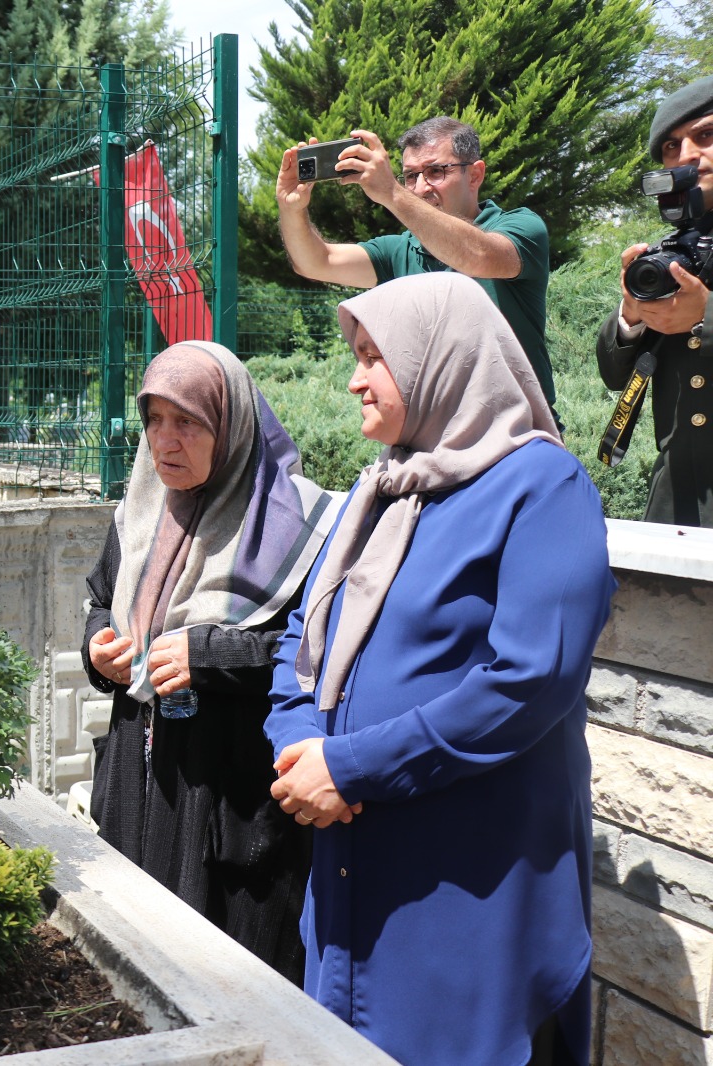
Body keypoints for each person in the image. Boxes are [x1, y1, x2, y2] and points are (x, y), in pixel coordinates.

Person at [265, 273, 615, 1065]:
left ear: (440, 361)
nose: (354, 377)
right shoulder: (383, 490)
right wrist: (297, 745)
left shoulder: (541, 486)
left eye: (372, 357)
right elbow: (303, 632)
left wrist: (351, 767)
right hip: (357, 867)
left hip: (469, 885)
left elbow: (530, 680)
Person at [82, 340, 335, 981]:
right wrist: (99, 650)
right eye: (154, 421)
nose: (165, 441)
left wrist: (209, 654)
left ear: (231, 428)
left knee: (229, 983)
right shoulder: (139, 514)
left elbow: (317, 651)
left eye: (187, 422)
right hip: (138, 784)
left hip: (231, 800)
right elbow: (99, 601)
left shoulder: (294, 527)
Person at [277, 116, 558, 414]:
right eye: (410, 176)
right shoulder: (399, 249)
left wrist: (392, 193)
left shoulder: (520, 227)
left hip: (516, 437)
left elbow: (477, 256)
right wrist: (291, 208)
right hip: (430, 440)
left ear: (475, 175)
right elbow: (317, 262)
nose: (421, 187)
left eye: (436, 171)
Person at [597, 73, 713, 526]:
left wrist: (704, 316)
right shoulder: (672, 252)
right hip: (678, 506)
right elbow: (613, 375)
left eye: (706, 135)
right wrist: (633, 313)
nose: (686, 155)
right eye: (670, 147)